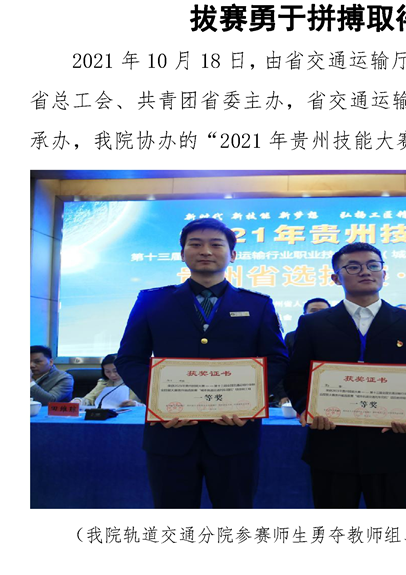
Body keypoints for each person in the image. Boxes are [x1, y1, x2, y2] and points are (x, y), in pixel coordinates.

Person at [116, 217, 288, 509]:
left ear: (232, 255)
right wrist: (159, 402)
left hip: (235, 432)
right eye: (195, 244)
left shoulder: (257, 304)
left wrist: (249, 403)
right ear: (182, 254)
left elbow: (276, 359)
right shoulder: (151, 301)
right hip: (170, 433)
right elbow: (130, 358)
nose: (205, 251)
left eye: (216, 245)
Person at [285, 244, 406, 508]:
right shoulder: (313, 324)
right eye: (353, 267)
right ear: (336, 278)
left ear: (383, 273)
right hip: (331, 443)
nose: (365, 271)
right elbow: (296, 374)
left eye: (373, 265)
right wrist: (307, 409)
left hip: (392, 442)